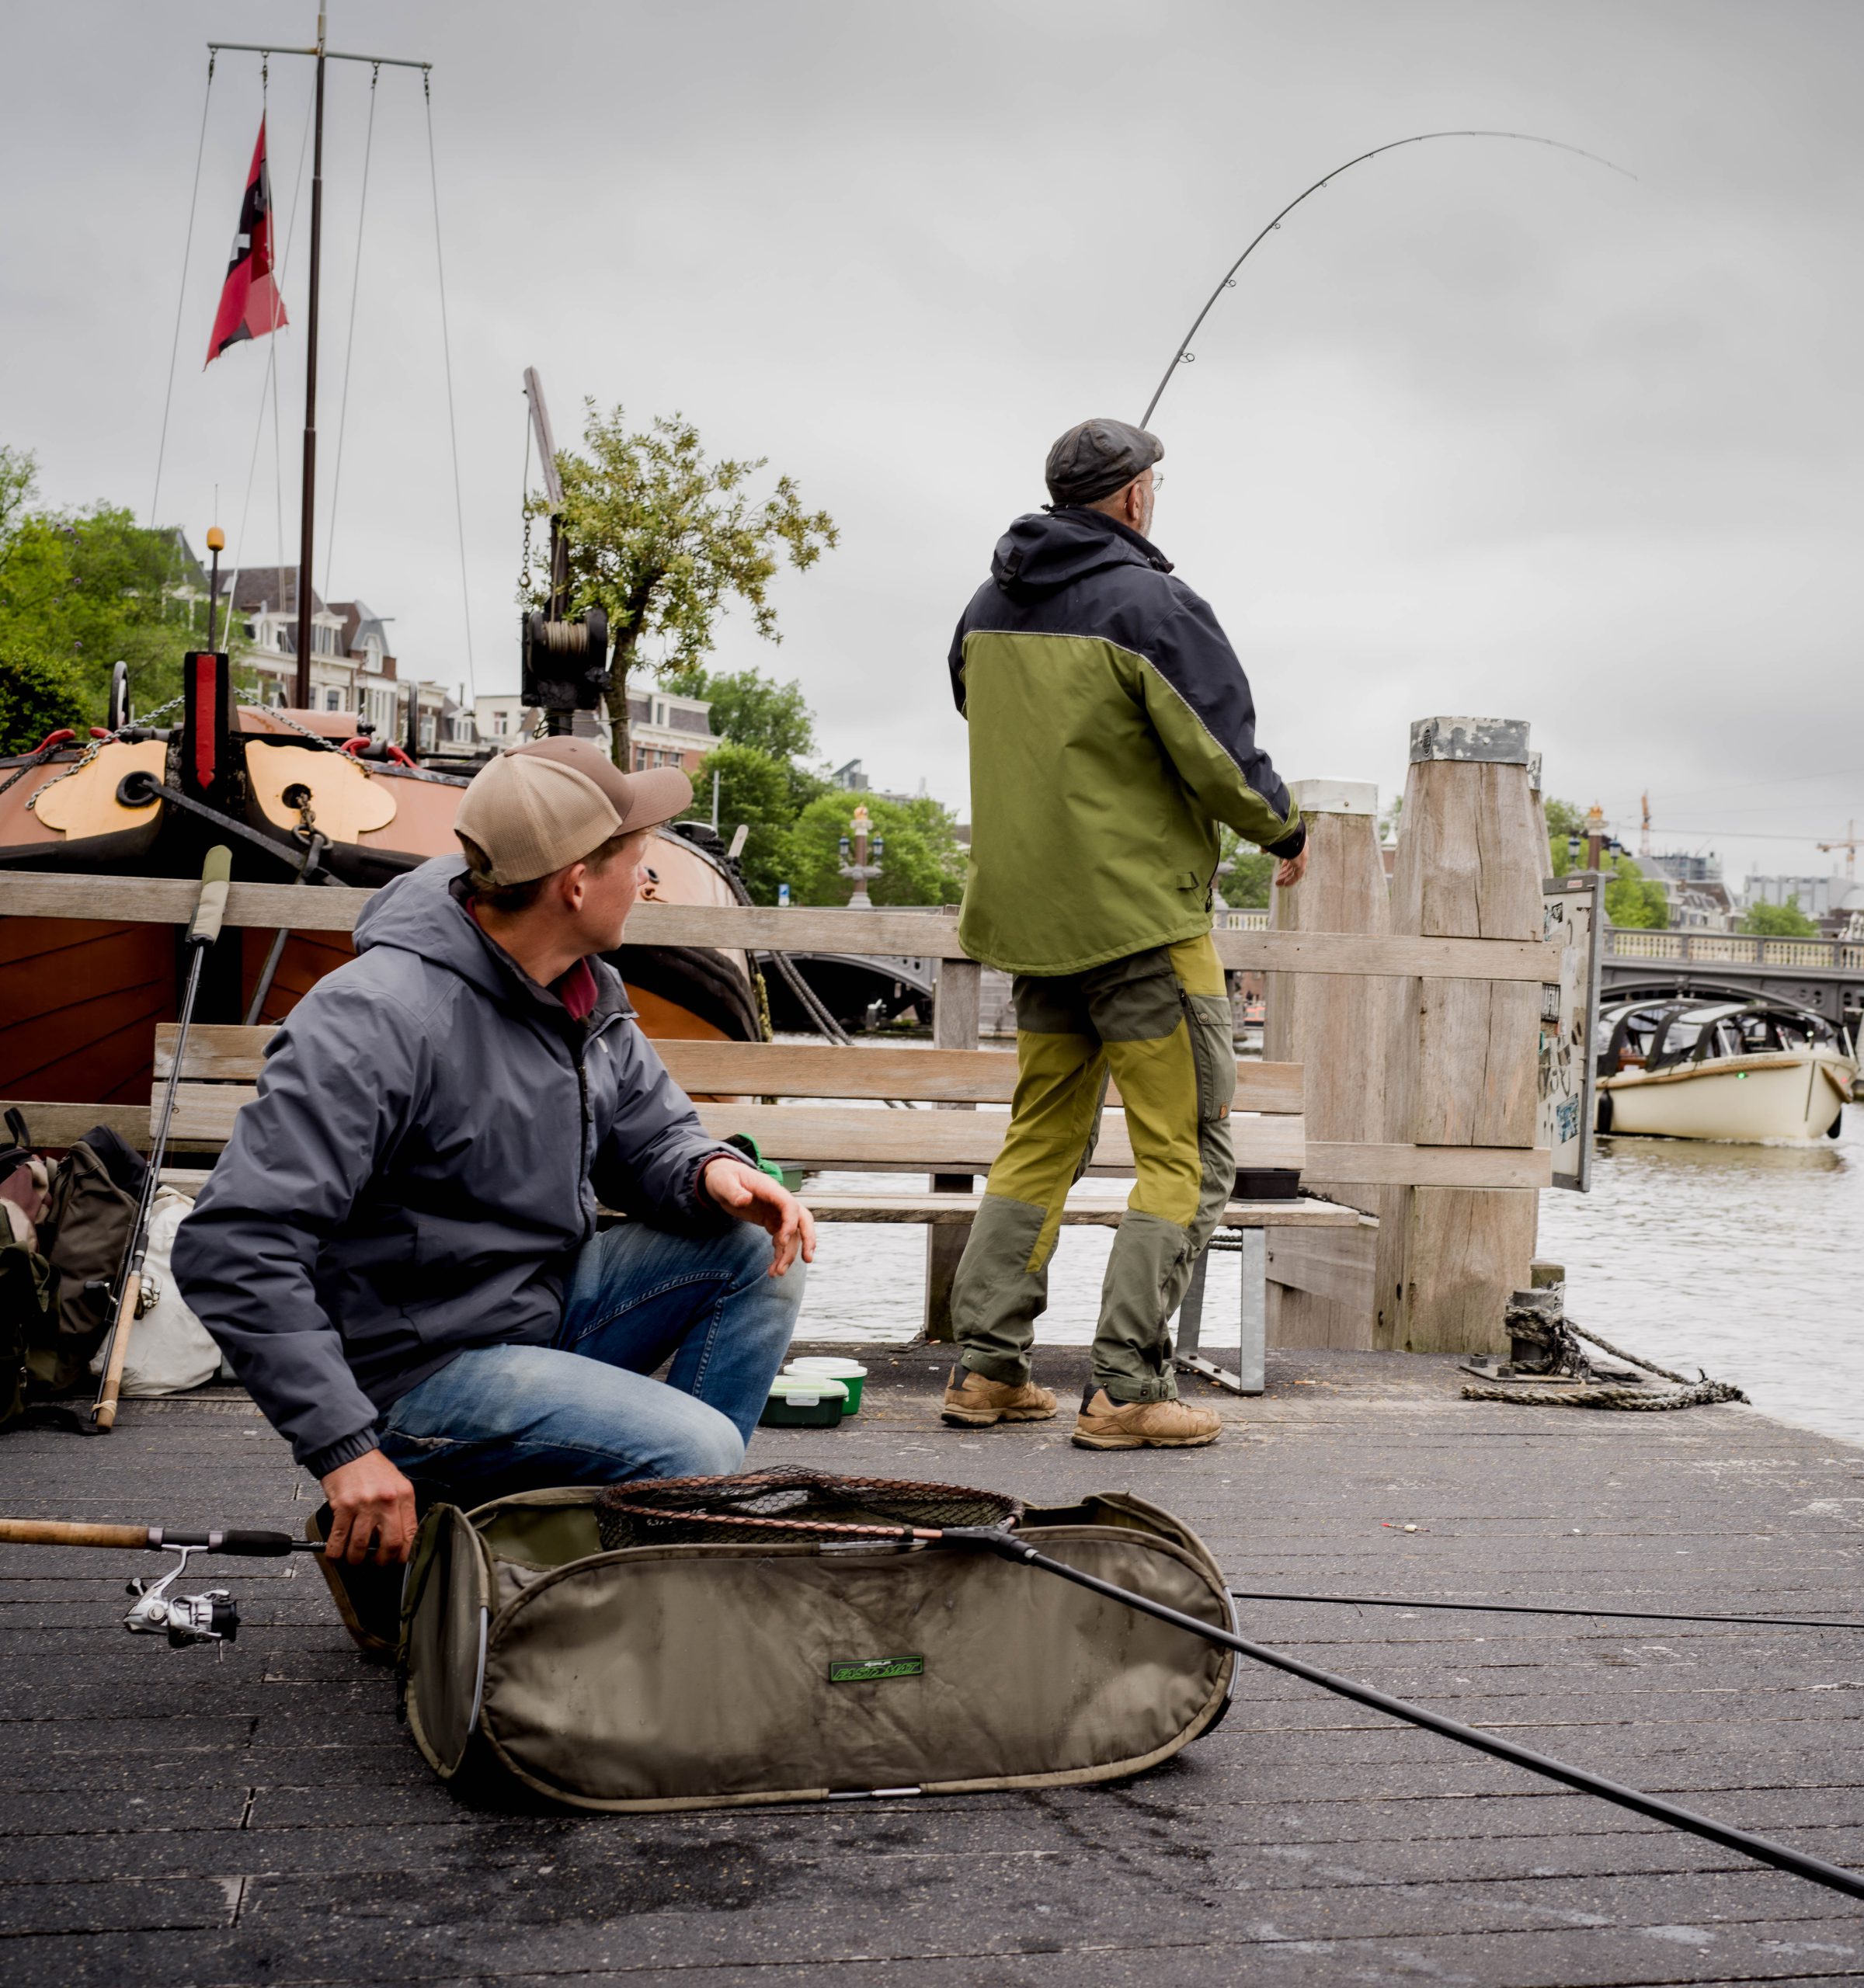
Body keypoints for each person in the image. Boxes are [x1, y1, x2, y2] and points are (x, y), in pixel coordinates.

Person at [173, 738, 813, 1647]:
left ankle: (641, 1561)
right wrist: (344, 1448)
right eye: (640, 856)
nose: (653, 879)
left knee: (754, 1250)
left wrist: (716, 1172)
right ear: (576, 883)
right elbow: (232, 1243)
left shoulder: (585, 986)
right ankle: (515, 1553)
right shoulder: (375, 1019)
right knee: (695, 1450)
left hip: (532, 1308)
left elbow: (654, 1132)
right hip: (415, 1371)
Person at [939, 418, 1307, 1450]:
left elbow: (984, 716)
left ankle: (985, 1372)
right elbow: (1222, 755)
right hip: (1142, 926)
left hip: (1033, 924)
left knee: (1039, 1143)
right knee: (1183, 1150)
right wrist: (1284, 827)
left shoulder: (984, 607)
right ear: (1136, 497)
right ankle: (1127, 1388)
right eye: (1156, 484)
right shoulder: (1154, 605)